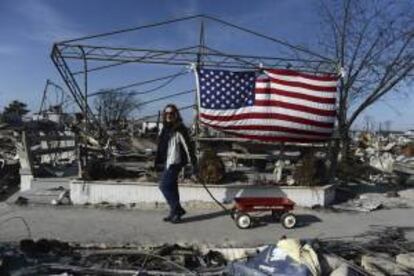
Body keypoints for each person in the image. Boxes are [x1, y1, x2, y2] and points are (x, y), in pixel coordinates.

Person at [154, 104, 197, 223]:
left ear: (176, 114)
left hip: (175, 163)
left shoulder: (180, 129)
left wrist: (194, 163)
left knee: (164, 186)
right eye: (166, 113)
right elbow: (161, 148)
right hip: (166, 163)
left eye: (171, 113)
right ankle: (174, 214)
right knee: (172, 187)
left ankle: (177, 210)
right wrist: (158, 162)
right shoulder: (165, 128)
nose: (168, 116)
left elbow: (188, 147)